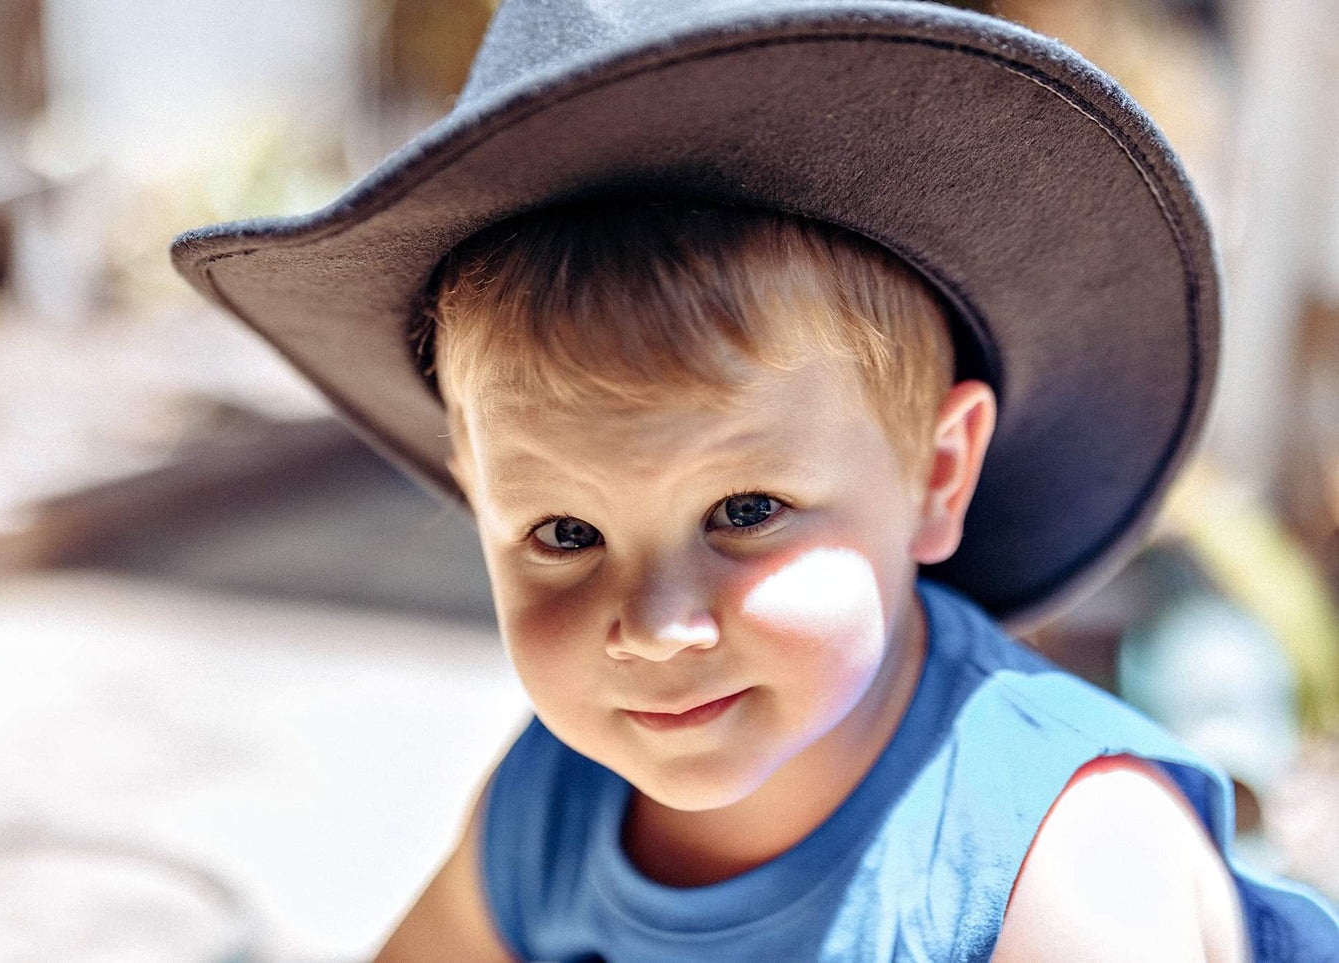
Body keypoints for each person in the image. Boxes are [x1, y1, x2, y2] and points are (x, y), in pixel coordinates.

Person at [170, 1, 1339, 959]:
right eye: (564, 530)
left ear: (935, 475)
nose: (656, 628)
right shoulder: (552, 812)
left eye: (744, 512)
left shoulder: (1060, 855)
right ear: (477, 492)